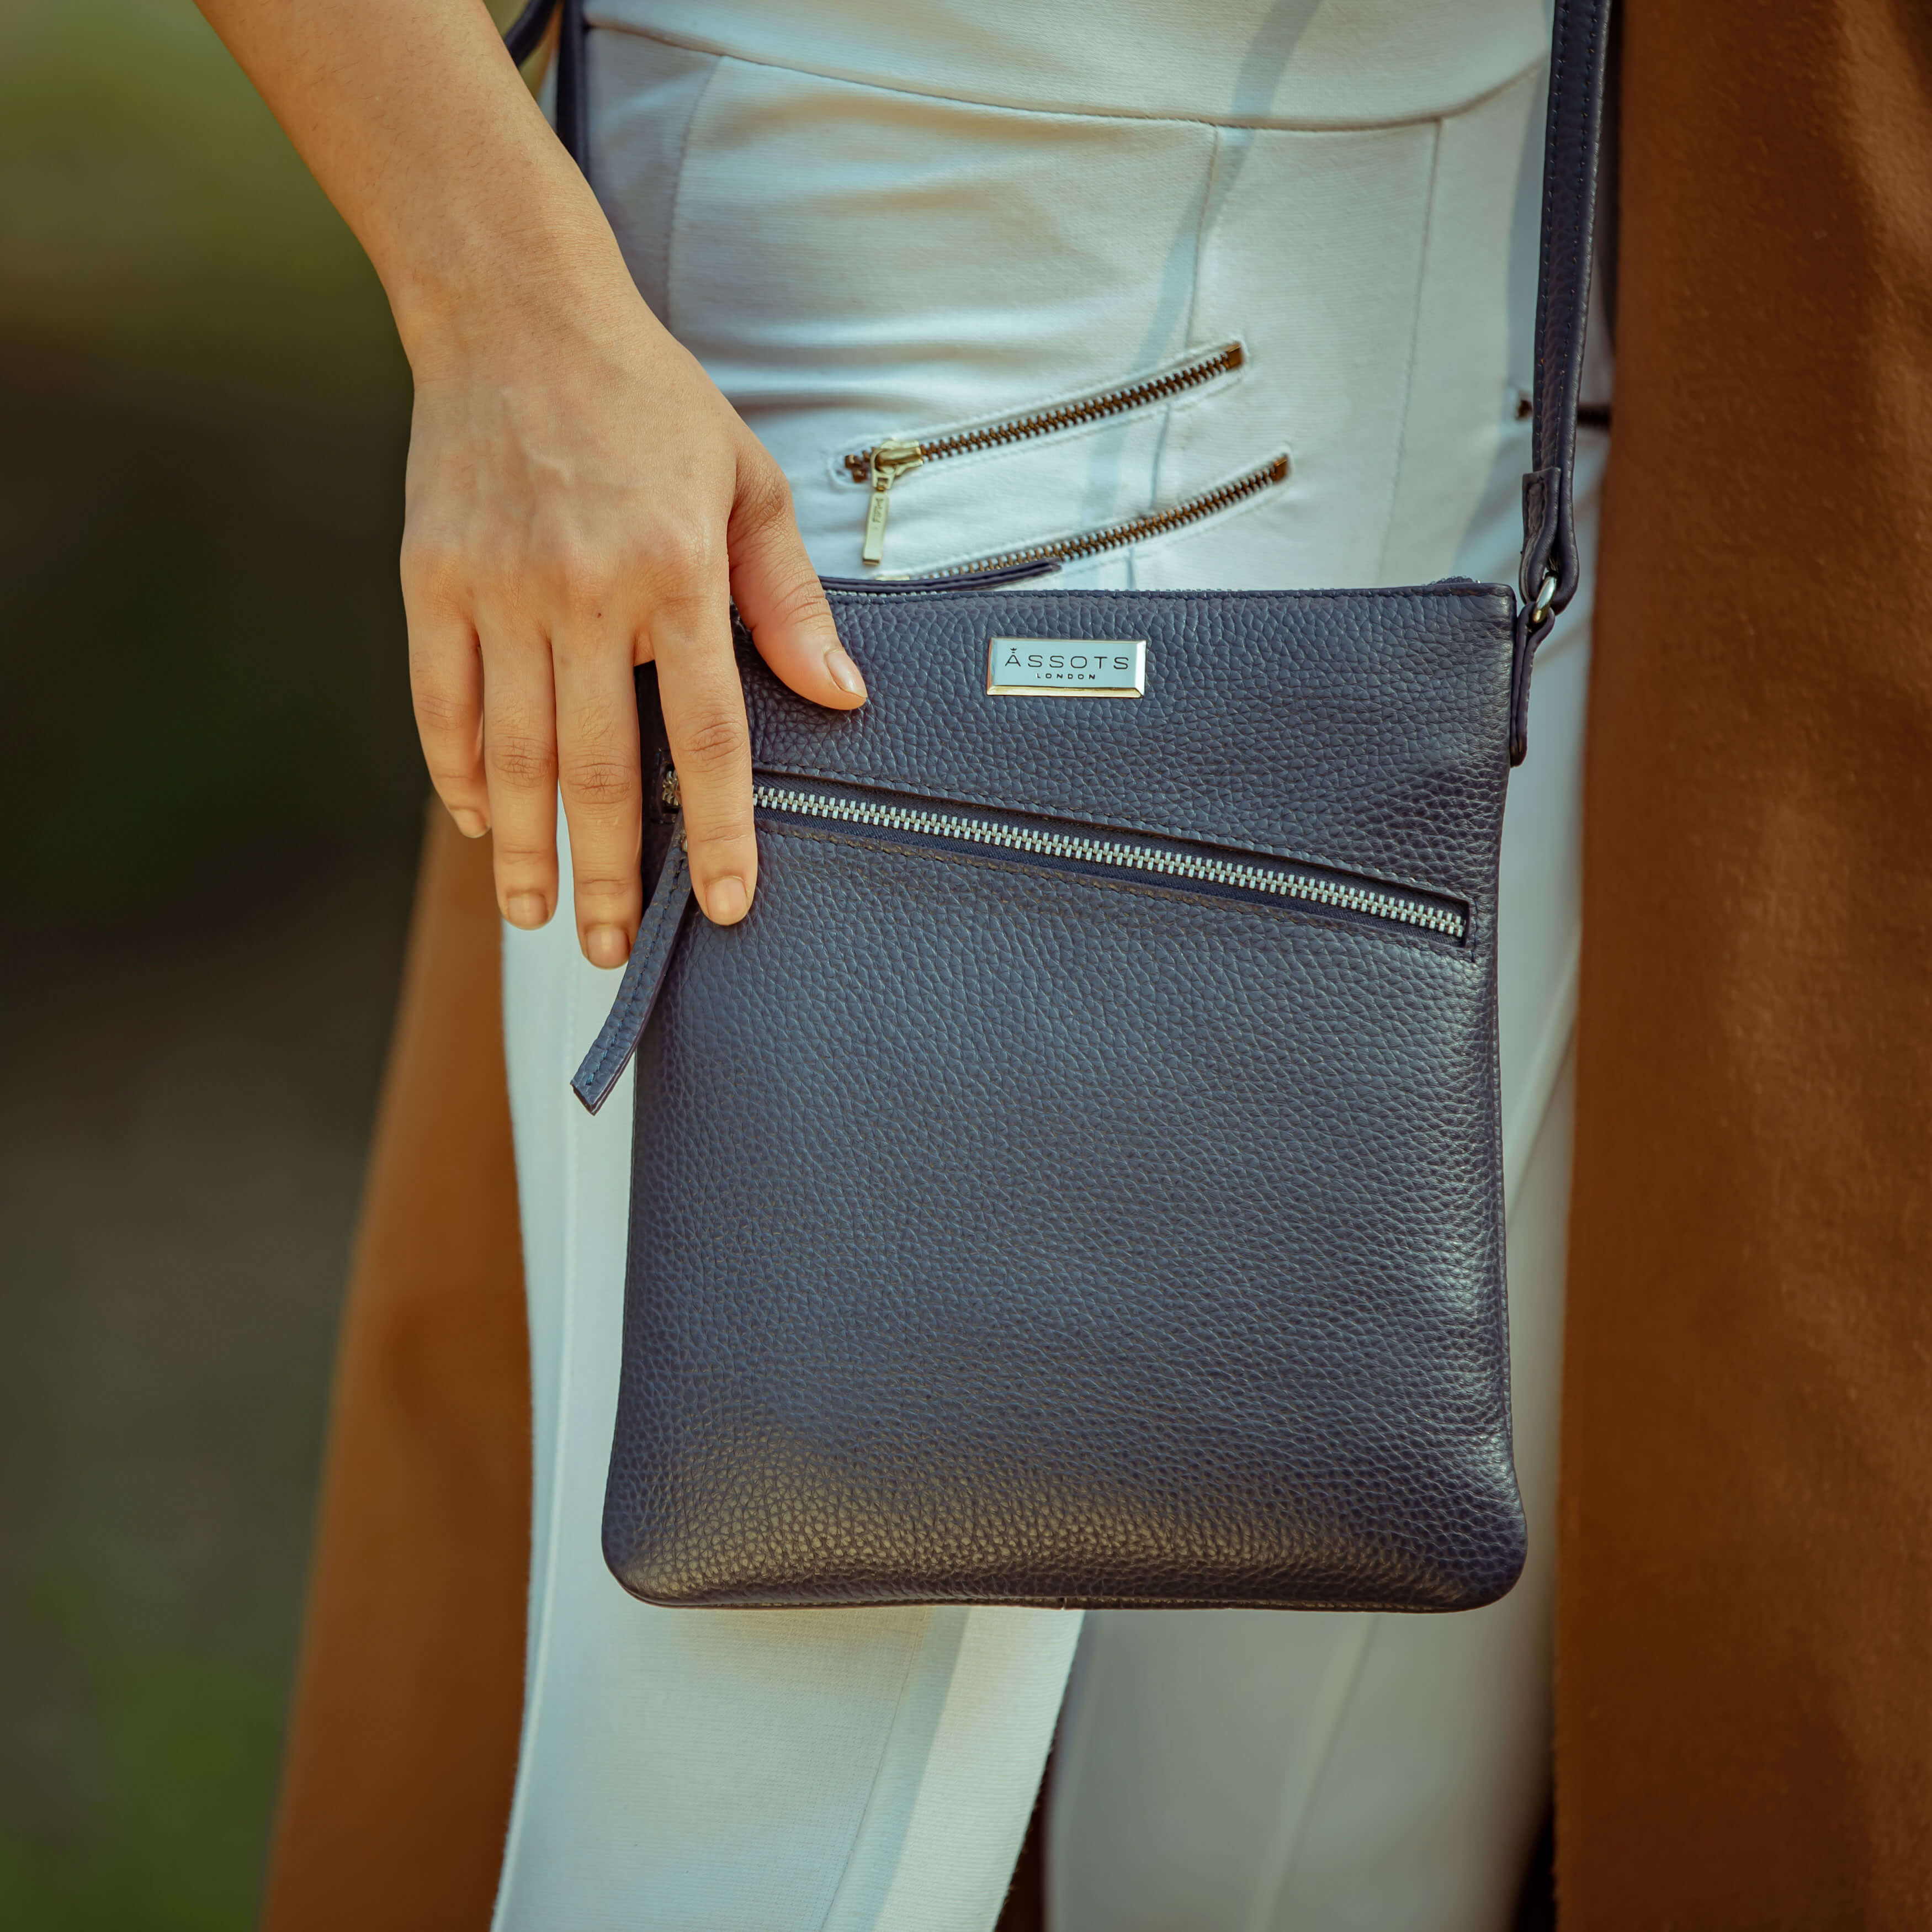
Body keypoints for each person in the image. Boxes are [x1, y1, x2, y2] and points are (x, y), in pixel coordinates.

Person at [201, 1, 1606, 1924]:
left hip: (1509, 371)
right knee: (754, 1855)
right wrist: (494, 300)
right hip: (918, 352)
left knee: (1321, 1853)